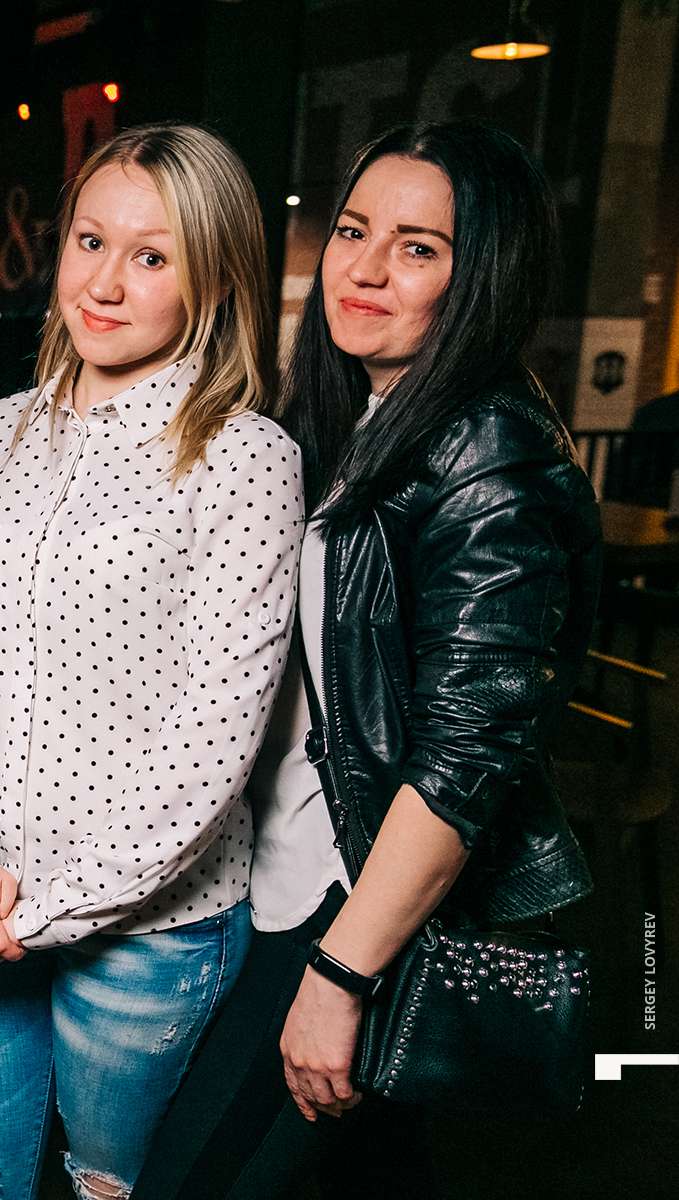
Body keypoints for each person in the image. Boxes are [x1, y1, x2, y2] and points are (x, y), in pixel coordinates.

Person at [135, 121, 599, 1200]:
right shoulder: (363, 419)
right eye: (352, 231)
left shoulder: (491, 450)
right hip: (289, 882)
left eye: (419, 247)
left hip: (351, 908)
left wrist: (341, 973)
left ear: (483, 276)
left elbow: (465, 762)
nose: (367, 268)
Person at [0, 124, 302, 1200]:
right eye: (90, 241)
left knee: (108, 1191)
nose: (106, 283)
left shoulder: (247, 459)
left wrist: (35, 918)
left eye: (152, 256)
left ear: (212, 281)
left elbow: (216, 738)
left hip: (148, 941)